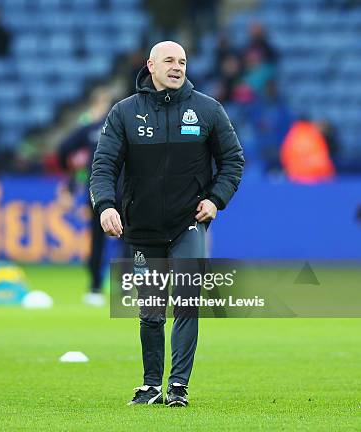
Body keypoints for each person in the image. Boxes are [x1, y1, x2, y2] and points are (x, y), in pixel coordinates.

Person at [90, 41, 244, 407]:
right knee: (151, 312)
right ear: (151, 66)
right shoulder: (124, 113)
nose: (177, 67)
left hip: (188, 224)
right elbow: (103, 166)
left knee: (188, 302)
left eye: (183, 61)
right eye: (170, 61)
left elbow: (233, 161)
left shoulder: (208, 110)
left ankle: (178, 386)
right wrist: (106, 207)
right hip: (142, 229)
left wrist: (215, 200)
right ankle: (150, 385)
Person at [58, 87, 117, 306]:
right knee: (132, 239)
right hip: (124, 189)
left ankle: (94, 288)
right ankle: (129, 288)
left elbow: (64, 149)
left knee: (98, 239)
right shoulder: (129, 126)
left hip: (99, 190)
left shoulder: (91, 128)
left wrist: (70, 173)